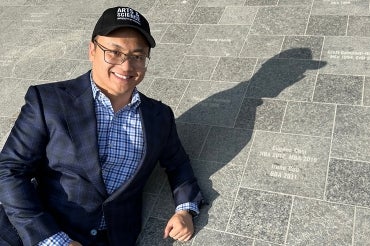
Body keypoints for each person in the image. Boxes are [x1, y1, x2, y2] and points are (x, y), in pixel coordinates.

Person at [0, 6, 204, 246]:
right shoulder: (48, 101)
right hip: (33, 233)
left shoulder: (159, 116)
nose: (127, 66)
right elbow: (9, 171)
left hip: (113, 237)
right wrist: (54, 240)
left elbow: (178, 163)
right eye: (114, 52)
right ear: (92, 50)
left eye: (137, 56)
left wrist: (185, 210)